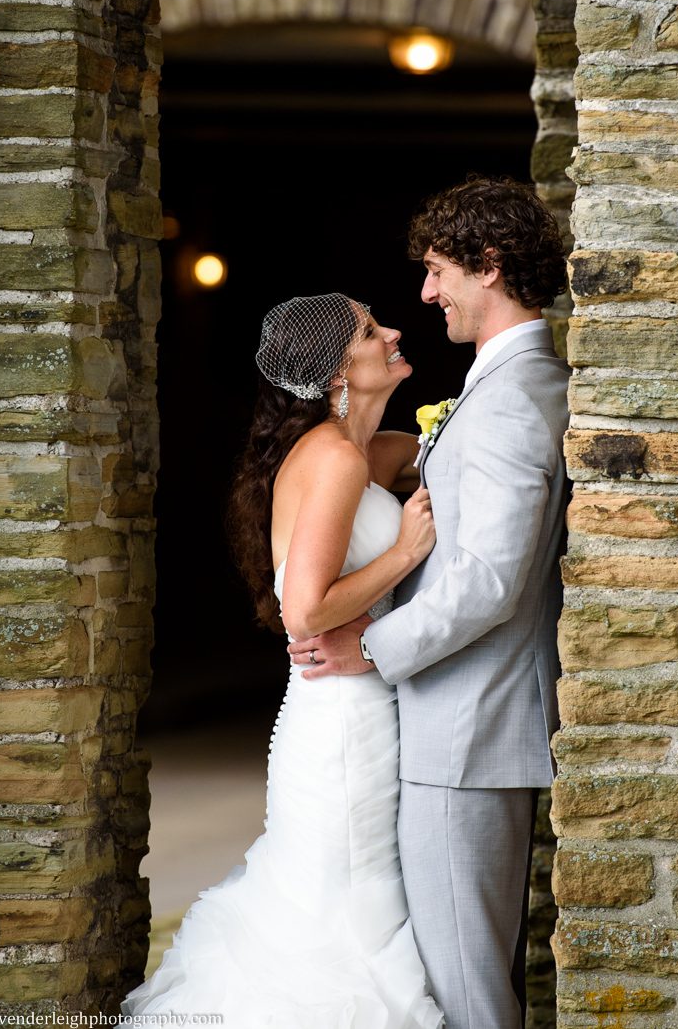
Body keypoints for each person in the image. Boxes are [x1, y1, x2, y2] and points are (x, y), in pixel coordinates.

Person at [289, 177, 569, 1029]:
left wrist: (370, 647)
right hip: (459, 726)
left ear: (489, 268)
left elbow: (488, 581)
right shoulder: (507, 385)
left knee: (467, 992)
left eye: (438, 270)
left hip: (467, 731)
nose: (425, 292)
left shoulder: (515, 398)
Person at [120, 292, 444, 1028]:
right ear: (338, 371)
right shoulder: (329, 459)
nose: (393, 331)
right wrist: (405, 552)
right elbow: (303, 609)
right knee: (344, 914)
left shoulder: (355, 452)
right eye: (370, 330)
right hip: (342, 725)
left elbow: (422, 450)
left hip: (347, 705)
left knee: (335, 901)